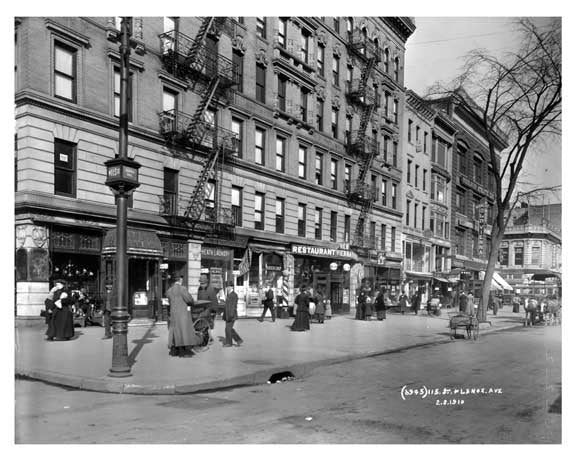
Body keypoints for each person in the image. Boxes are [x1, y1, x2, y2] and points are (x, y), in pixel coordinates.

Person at [166, 276, 200, 357]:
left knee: (175, 332)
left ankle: (175, 350)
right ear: (180, 280)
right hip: (182, 314)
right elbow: (189, 299)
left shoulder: (169, 290)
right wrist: (192, 302)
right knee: (184, 331)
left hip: (173, 314)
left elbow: (169, 301)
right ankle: (184, 351)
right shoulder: (182, 289)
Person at [223, 281, 243, 347]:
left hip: (231, 315)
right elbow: (227, 305)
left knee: (228, 329)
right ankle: (238, 340)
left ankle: (229, 343)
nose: (227, 288)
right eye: (227, 287)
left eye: (228, 286)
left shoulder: (234, 295)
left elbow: (233, 306)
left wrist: (230, 315)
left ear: (231, 287)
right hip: (227, 315)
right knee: (230, 329)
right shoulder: (229, 294)